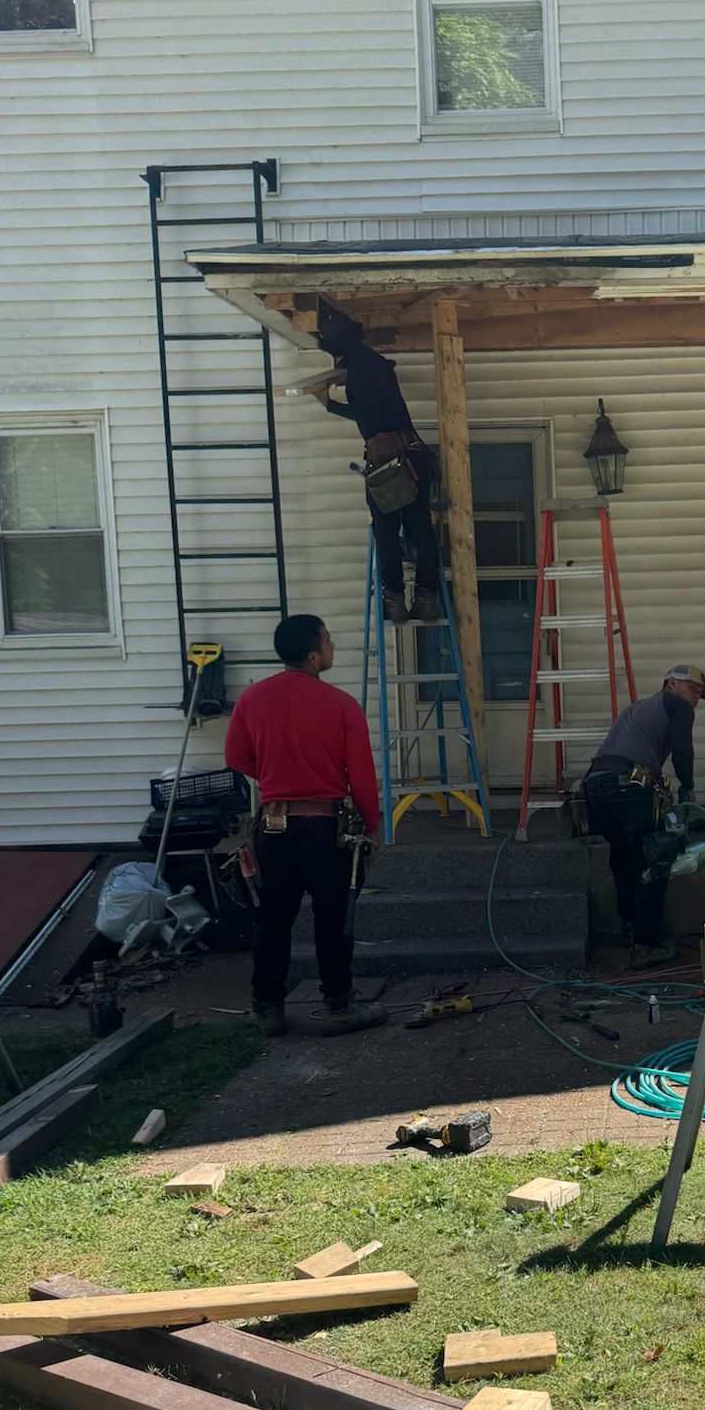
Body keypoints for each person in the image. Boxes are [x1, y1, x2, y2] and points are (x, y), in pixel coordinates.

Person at [224, 613, 386, 1037]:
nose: (333, 647)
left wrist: (276, 774)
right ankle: (338, 1005)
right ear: (313, 656)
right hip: (326, 830)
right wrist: (373, 827)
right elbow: (362, 777)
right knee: (333, 918)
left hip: (274, 828)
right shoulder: (341, 705)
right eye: (328, 641)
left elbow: (236, 757)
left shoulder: (252, 699)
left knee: (273, 919)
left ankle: (268, 1009)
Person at [582, 665, 705, 970]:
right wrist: (688, 786)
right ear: (671, 684)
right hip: (628, 786)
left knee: (624, 858)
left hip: (596, 785)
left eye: (700, 693)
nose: (695, 697)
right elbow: (682, 749)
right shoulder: (677, 706)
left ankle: (630, 926)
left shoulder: (637, 709)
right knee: (655, 859)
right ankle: (648, 944)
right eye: (692, 688)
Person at [314, 318, 442, 625]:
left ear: (337, 351)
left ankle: (394, 598)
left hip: (389, 460)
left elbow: (369, 418)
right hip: (414, 453)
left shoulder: (359, 370)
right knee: (420, 527)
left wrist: (329, 404)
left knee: (386, 530)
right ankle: (427, 597)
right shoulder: (377, 364)